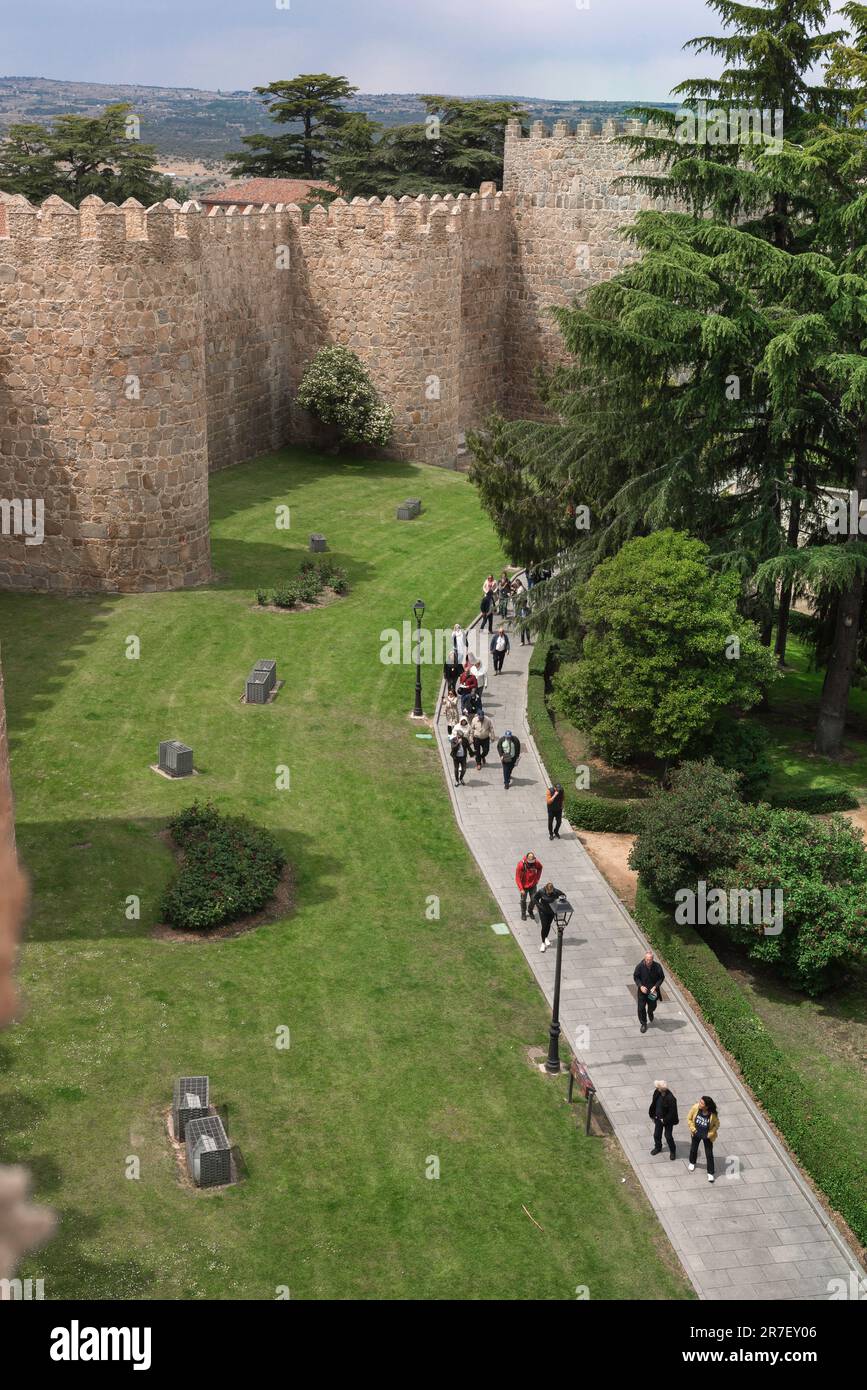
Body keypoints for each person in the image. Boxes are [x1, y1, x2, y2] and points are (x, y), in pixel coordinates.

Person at [687, 1096, 719, 1182]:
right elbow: (689, 1119)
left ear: (707, 1106)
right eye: (700, 1101)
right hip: (696, 1133)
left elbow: (717, 1125)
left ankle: (710, 1173)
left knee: (709, 1154)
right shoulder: (695, 1108)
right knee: (693, 1149)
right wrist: (693, 1130)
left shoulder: (712, 1114)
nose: (699, 1104)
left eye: (702, 1103)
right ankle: (692, 1162)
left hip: (707, 1136)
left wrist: (710, 1134)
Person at [633, 950, 665, 1033]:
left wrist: (655, 986)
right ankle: (643, 1023)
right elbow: (636, 977)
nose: (648, 961)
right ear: (644, 958)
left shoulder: (657, 966)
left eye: (650, 960)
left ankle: (650, 1012)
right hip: (643, 991)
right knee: (641, 1008)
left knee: (653, 1005)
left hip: (652, 992)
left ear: (652, 959)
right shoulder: (639, 967)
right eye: (647, 959)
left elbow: (661, 977)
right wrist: (640, 986)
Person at [648, 1081, 679, 1161]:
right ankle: (658, 1147)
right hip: (658, 1118)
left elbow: (672, 1112)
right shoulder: (657, 1092)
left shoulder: (671, 1098)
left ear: (661, 1089)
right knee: (656, 1135)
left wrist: (664, 1120)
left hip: (668, 1121)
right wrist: (652, 1115)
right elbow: (654, 1104)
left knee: (668, 1136)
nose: (656, 1088)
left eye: (657, 1087)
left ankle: (673, 1151)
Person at [534, 881, 565, 953]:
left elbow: (563, 895)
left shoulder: (555, 891)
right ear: (546, 889)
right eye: (548, 892)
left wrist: (559, 903)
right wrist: (539, 906)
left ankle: (546, 937)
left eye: (550, 892)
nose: (549, 893)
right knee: (544, 926)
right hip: (543, 912)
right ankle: (543, 943)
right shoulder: (541, 891)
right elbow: (535, 898)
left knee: (548, 925)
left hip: (551, 912)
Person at [515, 851, 542, 921]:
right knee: (523, 900)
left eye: (532, 861)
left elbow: (540, 868)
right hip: (524, 886)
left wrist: (537, 878)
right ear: (527, 859)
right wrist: (521, 889)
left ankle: (530, 910)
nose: (532, 863)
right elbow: (517, 878)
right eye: (530, 862)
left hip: (533, 885)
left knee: (534, 899)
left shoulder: (536, 863)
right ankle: (523, 913)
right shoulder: (521, 865)